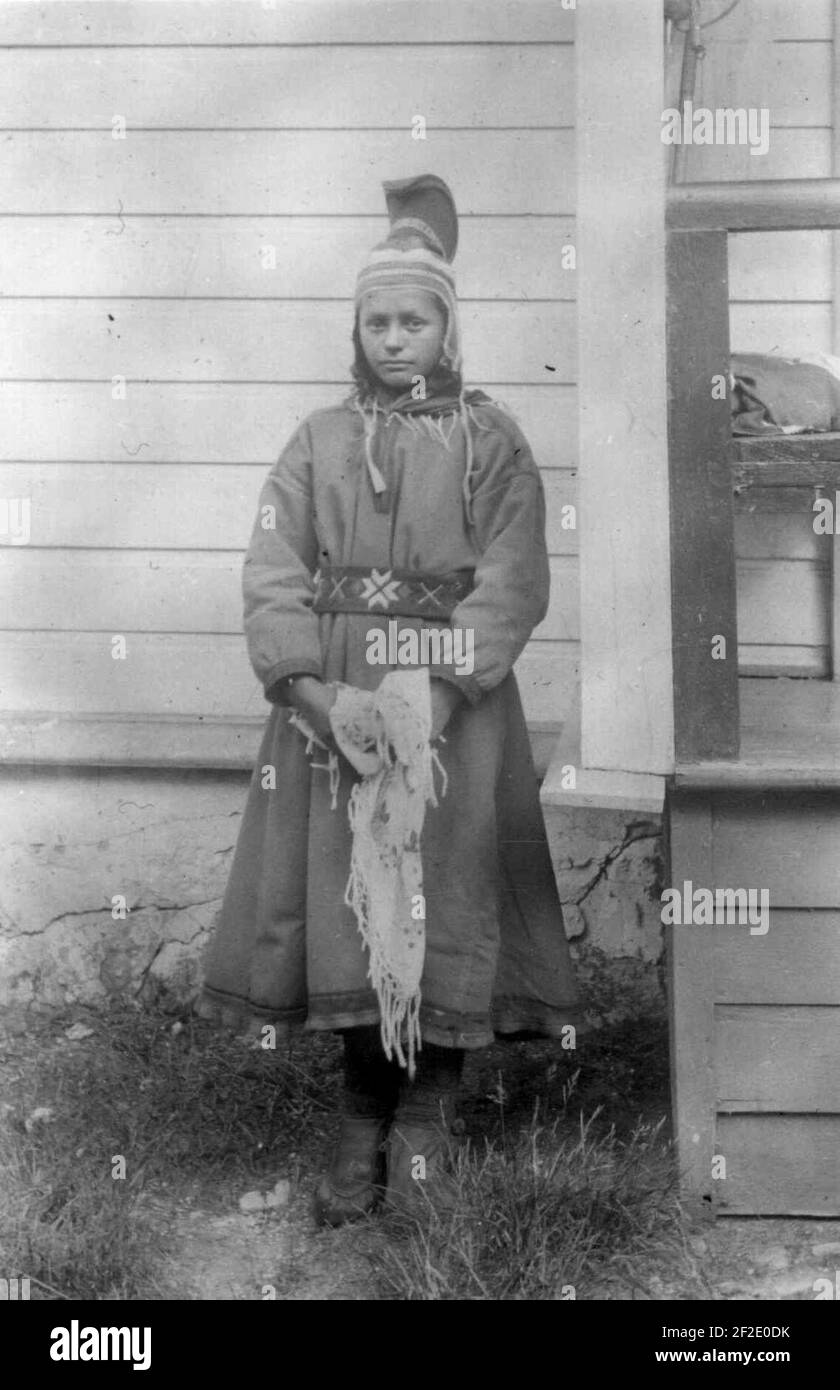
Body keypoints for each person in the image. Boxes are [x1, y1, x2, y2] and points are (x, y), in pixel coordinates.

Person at [198, 174, 581, 1224]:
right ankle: (360, 1118)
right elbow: (272, 573)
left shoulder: (489, 442)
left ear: (447, 328)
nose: (395, 338)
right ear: (357, 329)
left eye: (415, 319)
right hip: (337, 717)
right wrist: (318, 698)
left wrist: (438, 693)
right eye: (379, 320)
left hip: (454, 713)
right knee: (350, 911)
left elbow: (513, 579)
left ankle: (425, 1126)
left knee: (442, 900)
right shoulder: (316, 443)